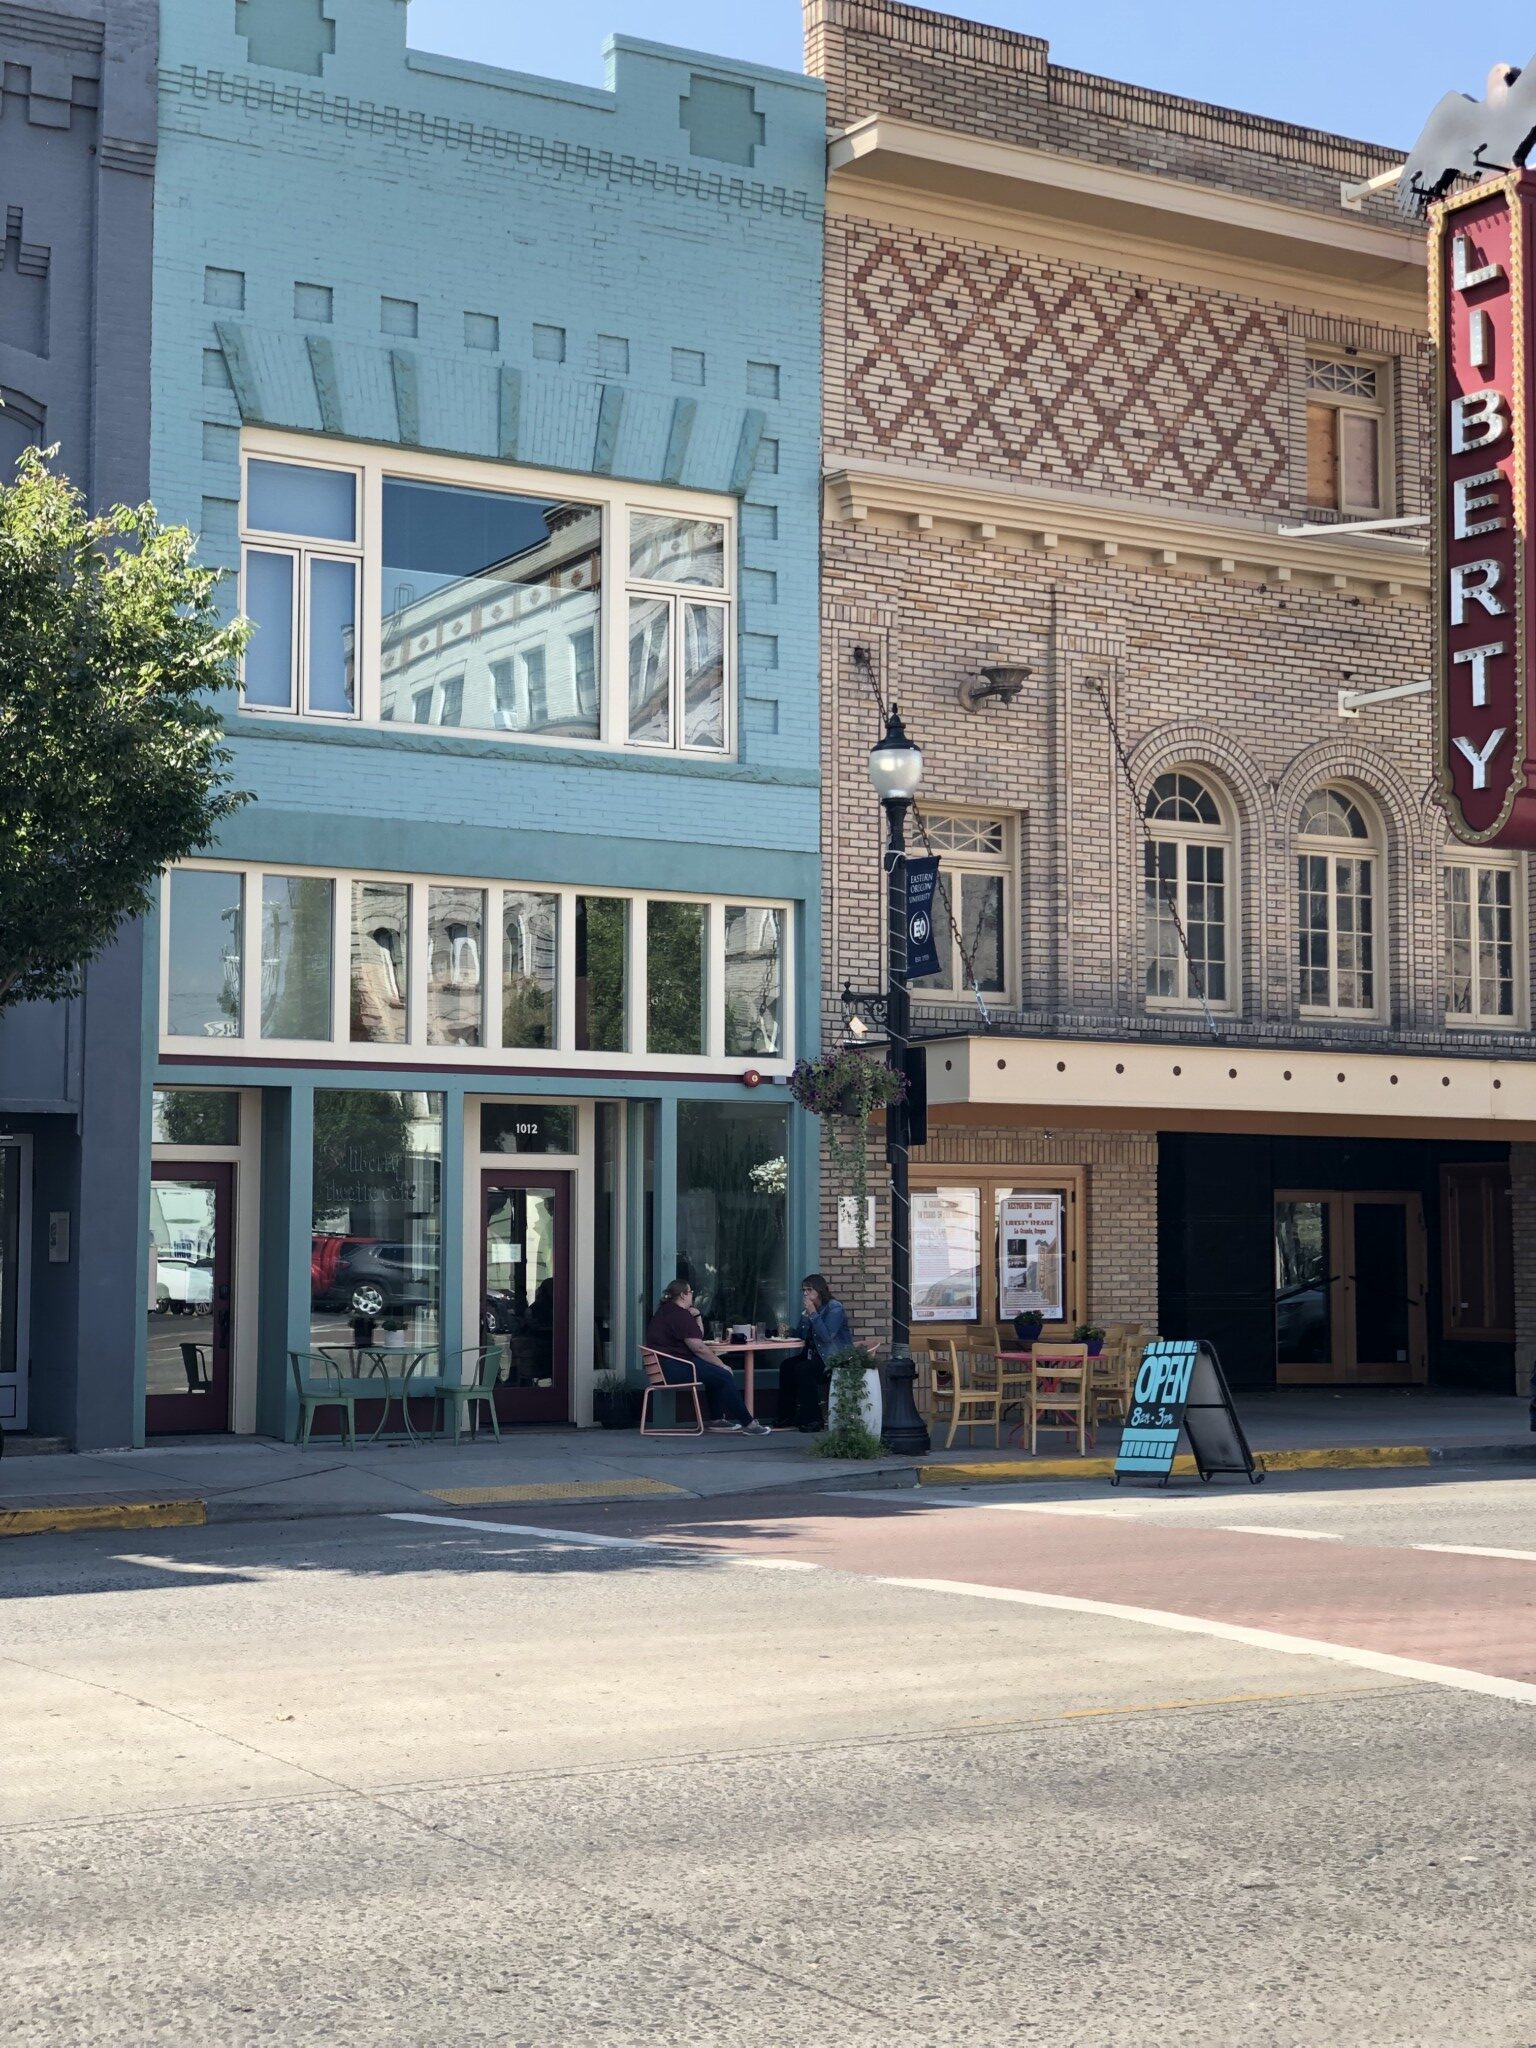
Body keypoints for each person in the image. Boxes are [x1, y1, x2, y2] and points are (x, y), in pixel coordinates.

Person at [643, 1278, 771, 1435]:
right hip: (673, 1368)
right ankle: (749, 1424)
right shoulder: (679, 1315)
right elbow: (698, 1347)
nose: (692, 1296)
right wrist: (721, 1364)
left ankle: (717, 1419)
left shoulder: (665, 1311)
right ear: (683, 1295)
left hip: (664, 1367)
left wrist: (696, 1317)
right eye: (690, 1292)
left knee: (713, 1372)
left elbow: (697, 1336)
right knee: (722, 1374)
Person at [779, 1274, 854, 1432]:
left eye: (809, 1289)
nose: (805, 1293)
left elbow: (827, 1336)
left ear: (819, 1290)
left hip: (831, 1359)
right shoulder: (809, 1310)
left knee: (803, 1370)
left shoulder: (834, 1308)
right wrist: (788, 1330)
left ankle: (813, 1420)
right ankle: (787, 1415)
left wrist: (813, 1314)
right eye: (804, 1290)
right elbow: (801, 1334)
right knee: (787, 1365)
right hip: (813, 1355)